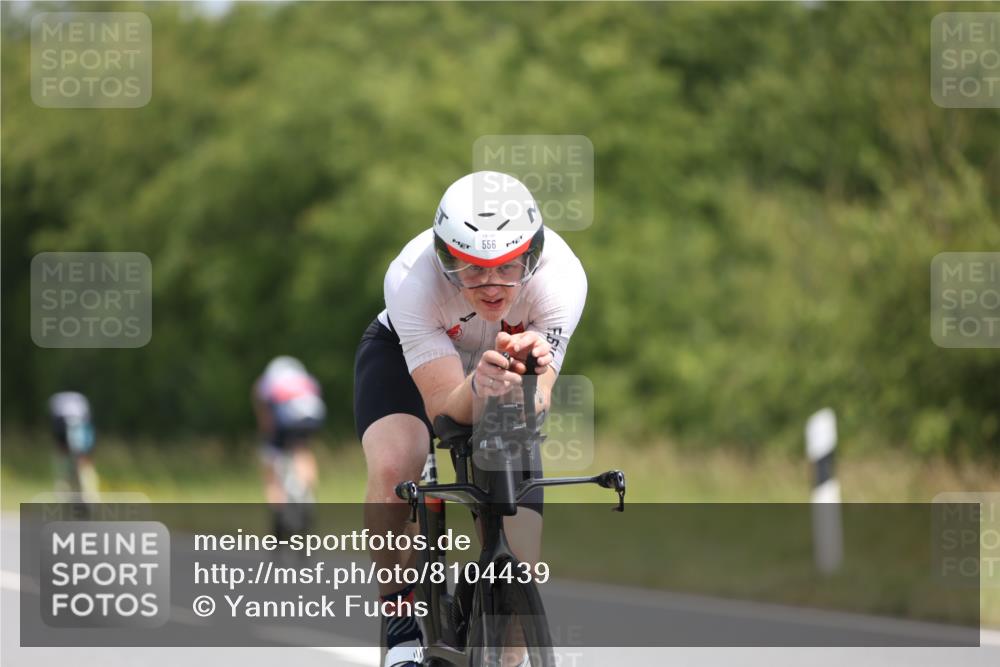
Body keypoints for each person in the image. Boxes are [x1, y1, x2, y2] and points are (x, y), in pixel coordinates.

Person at [353, 171, 587, 667]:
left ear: (533, 254)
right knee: (398, 466)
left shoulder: (561, 279)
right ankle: (399, 619)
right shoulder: (411, 281)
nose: (491, 285)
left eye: (506, 267)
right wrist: (477, 384)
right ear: (444, 258)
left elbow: (537, 399)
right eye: (471, 269)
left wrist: (531, 375)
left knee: (521, 550)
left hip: (502, 372)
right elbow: (443, 410)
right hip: (409, 360)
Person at [253, 355, 326, 537]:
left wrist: (267, 436)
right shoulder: (307, 380)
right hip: (312, 416)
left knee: (270, 462)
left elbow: (264, 413)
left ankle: (277, 509)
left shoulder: (267, 382)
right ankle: (308, 495)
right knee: (302, 450)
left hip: (284, 418)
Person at [48, 391, 99, 505]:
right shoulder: (79, 401)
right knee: (80, 467)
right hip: (76, 428)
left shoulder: (58, 401)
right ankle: (86, 498)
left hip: (68, 427)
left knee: (68, 467)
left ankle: (73, 498)